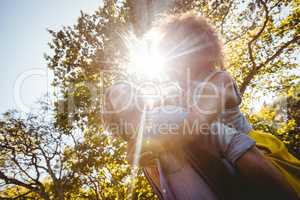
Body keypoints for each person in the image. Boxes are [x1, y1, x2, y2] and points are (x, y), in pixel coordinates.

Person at [104, 13, 299, 200]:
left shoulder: (220, 81)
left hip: (253, 154)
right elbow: (149, 118)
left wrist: (155, 144)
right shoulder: (176, 94)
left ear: (200, 51)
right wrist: (137, 147)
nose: (170, 61)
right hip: (213, 163)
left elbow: (195, 123)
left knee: (215, 139)